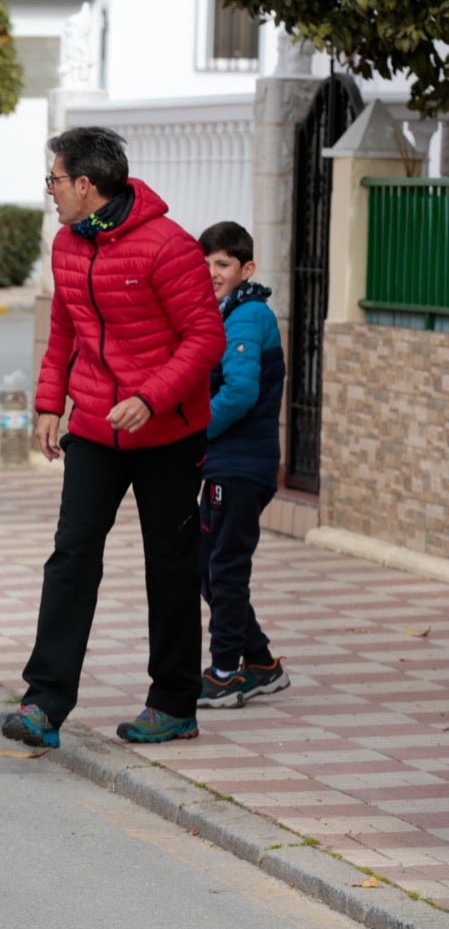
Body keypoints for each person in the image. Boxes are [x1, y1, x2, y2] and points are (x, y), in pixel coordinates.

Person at [1, 126, 225, 752]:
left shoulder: (168, 247)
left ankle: (175, 702)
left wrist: (152, 396)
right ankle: (44, 702)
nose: (49, 190)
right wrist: (50, 405)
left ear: (85, 185)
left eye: (54, 179)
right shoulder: (67, 244)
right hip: (97, 429)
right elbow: (65, 330)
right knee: (71, 555)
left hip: (168, 432)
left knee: (170, 566)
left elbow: (204, 338)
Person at [197, 221, 291, 709]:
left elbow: (239, 392)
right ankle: (261, 665)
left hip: (240, 467)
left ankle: (225, 673)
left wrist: (194, 430)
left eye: (222, 264)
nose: (211, 272)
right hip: (225, 465)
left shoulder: (248, 317)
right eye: (206, 262)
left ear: (246, 268)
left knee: (225, 569)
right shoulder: (225, 312)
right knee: (207, 568)